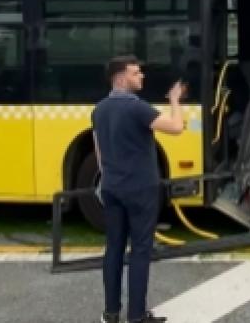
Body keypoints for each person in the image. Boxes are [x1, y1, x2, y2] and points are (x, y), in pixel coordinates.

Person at [93, 56, 186, 323]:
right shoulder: (138, 108)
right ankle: (136, 315)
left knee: (113, 249)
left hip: (111, 187)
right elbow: (177, 128)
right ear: (121, 78)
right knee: (141, 250)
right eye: (136, 73)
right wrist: (175, 100)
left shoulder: (99, 110)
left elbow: (100, 153)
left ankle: (110, 313)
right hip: (140, 189)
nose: (141, 76)